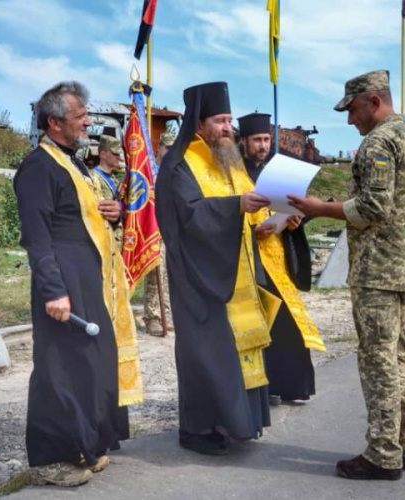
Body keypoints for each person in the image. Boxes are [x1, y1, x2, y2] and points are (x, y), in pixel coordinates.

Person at [288, 69, 405, 481]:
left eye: (352, 110)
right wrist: (335, 204)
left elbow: (373, 208)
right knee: (398, 356)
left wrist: (318, 208)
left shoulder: (379, 142)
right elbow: (388, 201)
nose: (350, 120)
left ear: (373, 101)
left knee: (377, 361)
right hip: (403, 266)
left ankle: (383, 453)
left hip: (377, 270)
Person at [14, 81, 143, 487]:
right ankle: (52, 459)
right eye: (80, 116)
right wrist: (53, 290)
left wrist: (114, 212)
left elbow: (87, 215)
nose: (88, 122)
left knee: (91, 364)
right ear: (54, 122)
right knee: (59, 369)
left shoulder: (78, 164)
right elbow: (38, 236)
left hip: (94, 280)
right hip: (64, 282)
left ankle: (86, 446)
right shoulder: (39, 167)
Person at [155, 82, 273, 456]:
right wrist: (236, 205)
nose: (227, 128)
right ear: (199, 122)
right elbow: (190, 215)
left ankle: (239, 423)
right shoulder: (180, 164)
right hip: (197, 276)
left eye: (229, 121)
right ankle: (199, 428)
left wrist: (268, 220)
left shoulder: (227, 158)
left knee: (235, 349)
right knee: (204, 352)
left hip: (234, 271)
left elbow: (244, 208)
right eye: (220, 121)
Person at [238, 112, 324, 405]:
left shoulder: (277, 170)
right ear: (244, 142)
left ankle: (292, 387)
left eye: (265, 140)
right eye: (256, 141)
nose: (262, 146)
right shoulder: (235, 174)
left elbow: (291, 204)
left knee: (289, 319)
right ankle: (269, 387)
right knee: (269, 321)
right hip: (250, 257)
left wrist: (293, 223)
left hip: (278, 252)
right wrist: (252, 231)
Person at [143, 132, 175, 336]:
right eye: (167, 148)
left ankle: (166, 314)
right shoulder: (150, 172)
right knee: (154, 276)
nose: (170, 152)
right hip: (152, 230)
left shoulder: (173, 173)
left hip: (170, 230)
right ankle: (152, 317)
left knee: (167, 274)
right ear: (159, 148)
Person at [91, 135, 124, 200]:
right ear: (103, 154)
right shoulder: (93, 176)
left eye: (119, 154)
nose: (119, 158)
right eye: (115, 154)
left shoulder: (113, 177)